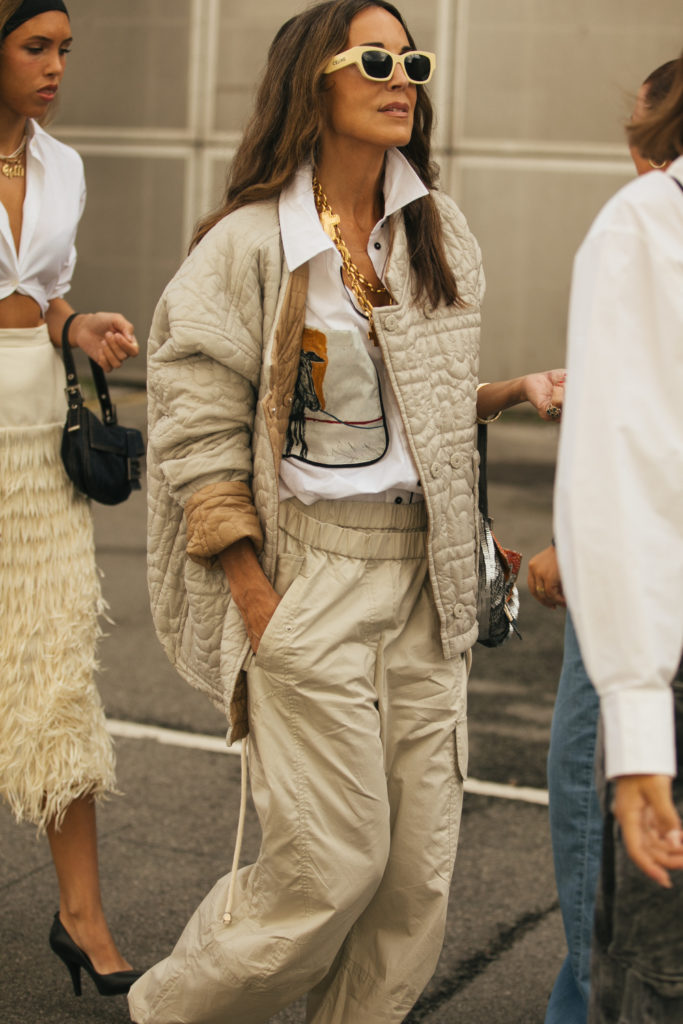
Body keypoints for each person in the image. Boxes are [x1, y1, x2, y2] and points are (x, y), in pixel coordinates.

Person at [129, 3, 564, 1022]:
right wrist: (252, 595)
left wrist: (501, 401)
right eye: (373, 57)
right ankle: (168, 1009)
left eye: (410, 58)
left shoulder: (435, 230)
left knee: (413, 879)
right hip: (304, 578)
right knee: (331, 863)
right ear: (309, 81)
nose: (400, 74)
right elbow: (193, 432)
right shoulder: (247, 245)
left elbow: (418, 412)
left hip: (423, 575)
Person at [526, 59, 678, 1024]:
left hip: (639, 604)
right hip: (650, 622)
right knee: (645, 960)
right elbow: (632, 463)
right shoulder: (643, 228)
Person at [0, 0, 140, 999]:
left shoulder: (66, 166)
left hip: (35, 426)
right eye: (34, 47)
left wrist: (76, 323)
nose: (55, 68)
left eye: (63, 50)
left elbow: (43, 291)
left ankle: (80, 910)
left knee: (54, 668)